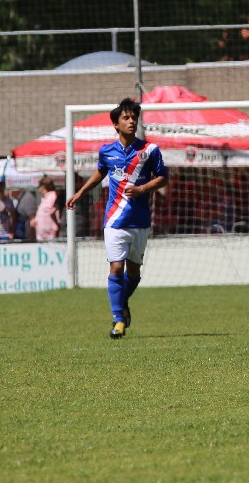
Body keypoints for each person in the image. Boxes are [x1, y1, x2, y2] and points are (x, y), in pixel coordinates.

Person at [66, 97, 168, 340]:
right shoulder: (106, 151)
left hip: (140, 221)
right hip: (114, 221)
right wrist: (80, 192)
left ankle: (122, 304)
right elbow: (101, 171)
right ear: (116, 124)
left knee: (133, 274)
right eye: (126, 118)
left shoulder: (150, 150)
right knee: (116, 267)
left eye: (134, 117)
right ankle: (118, 321)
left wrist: (143, 189)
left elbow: (163, 177)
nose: (131, 121)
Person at [31, 176, 61, 241]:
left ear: (43, 186)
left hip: (50, 233)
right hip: (41, 234)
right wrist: (35, 220)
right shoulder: (44, 198)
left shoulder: (53, 195)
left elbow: (55, 209)